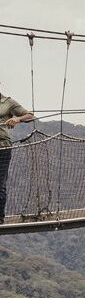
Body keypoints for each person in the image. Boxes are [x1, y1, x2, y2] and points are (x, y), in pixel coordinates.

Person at [0, 94, 34, 224]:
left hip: (2, 147)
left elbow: (30, 116)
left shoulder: (7, 102)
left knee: (0, 183)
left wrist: (17, 119)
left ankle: (0, 217)